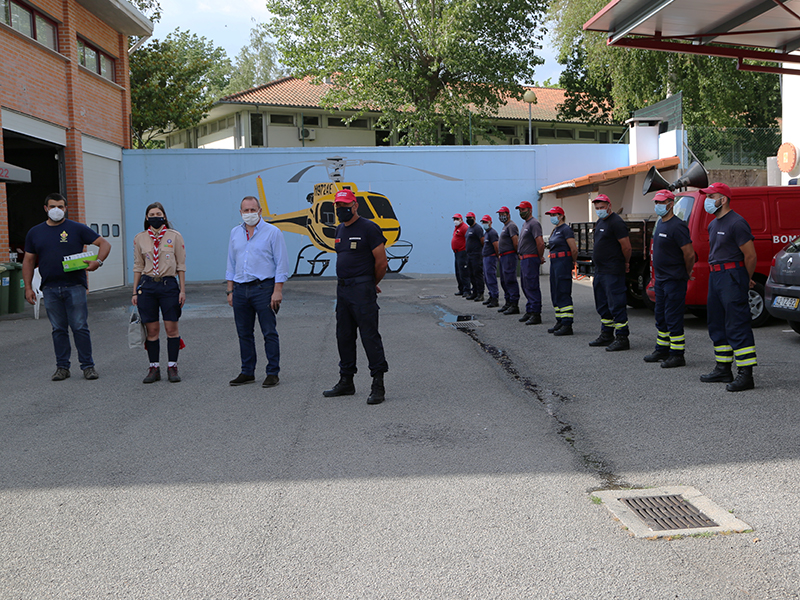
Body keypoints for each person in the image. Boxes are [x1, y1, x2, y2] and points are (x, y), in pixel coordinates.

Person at [22, 192, 111, 381]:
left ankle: (88, 366)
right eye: (52, 206)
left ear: (66, 208)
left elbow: (104, 244)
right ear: (45, 208)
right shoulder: (35, 232)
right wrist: (28, 287)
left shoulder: (77, 229)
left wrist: (98, 262)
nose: (56, 210)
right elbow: (28, 261)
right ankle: (62, 367)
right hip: (50, 288)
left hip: (75, 286)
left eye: (60, 206)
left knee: (80, 327)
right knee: (58, 329)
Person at [323, 189, 389, 405]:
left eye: (346, 206)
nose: (342, 210)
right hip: (343, 290)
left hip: (362, 290)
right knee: (343, 335)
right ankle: (346, 381)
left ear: (355, 205)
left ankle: (378, 384)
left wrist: (370, 284)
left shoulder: (369, 228)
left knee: (369, 336)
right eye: (338, 207)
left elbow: (381, 263)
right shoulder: (339, 229)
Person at [698, 182, 757, 391]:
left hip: (732, 276)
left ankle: (745, 374)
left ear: (723, 199)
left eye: (711, 196)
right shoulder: (714, 224)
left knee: (737, 324)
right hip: (716, 277)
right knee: (717, 323)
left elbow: (750, 255)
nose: (707, 201)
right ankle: (723, 369)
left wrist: (743, 278)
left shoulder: (737, 222)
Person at [226, 196, 290, 388]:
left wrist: (277, 290)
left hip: (264, 288)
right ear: (240, 213)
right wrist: (230, 290)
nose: (249, 214)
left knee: (269, 332)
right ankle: (247, 371)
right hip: (240, 288)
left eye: (253, 210)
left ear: (260, 211)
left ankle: (272, 372)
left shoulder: (273, 232)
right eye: (246, 210)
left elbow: (282, 263)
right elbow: (231, 262)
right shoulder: (235, 233)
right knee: (244, 332)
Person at [132, 202, 187, 383]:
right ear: (147, 218)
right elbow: (138, 266)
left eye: (159, 213)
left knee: (171, 329)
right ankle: (153, 367)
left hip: (168, 285)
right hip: (148, 286)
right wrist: (134, 291)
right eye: (152, 214)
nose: (155, 216)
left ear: (164, 216)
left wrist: (182, 290)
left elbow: (181, 265)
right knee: (152, 330)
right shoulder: (140, 238)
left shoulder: (174, 236)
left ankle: (172, 366)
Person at [643, 190, 695, 368]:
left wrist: (686, 272)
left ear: (671, 204)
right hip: (661, 280)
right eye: (656, 202)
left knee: (673, 317)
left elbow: (689, 254)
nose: (657, 205)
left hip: (674, 279)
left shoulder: (677, 225)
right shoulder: (661, 223)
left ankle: (677, 355)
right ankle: (662, 349)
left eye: (661, 202)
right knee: (661, 315)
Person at [588, 194, 632, 351]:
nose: (599, 210)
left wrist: (625, 262)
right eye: (597, 208)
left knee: (616, 304)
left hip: (613, 270)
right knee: (602, 304)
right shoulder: (601, 221)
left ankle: (622, 337)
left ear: (609, 206)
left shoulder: (616, 222)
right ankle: (607, 334)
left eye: (602, 207)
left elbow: (626, 247)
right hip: (600, 271)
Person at [544, 206, 578, 336]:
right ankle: (559, 320)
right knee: (556, 292)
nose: (552, 217)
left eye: (554, 215)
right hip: (555, 263)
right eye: (551, 215)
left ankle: (567, 324)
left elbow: (573, 249)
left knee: (563, 291)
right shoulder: (555, 230)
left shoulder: (565, 229)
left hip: (563, 262)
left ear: (561, 216)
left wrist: (572, 261)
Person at [516, 200, 545, 325]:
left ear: (530, 210)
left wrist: (539, 257)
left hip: (531, 259)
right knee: (525, 285)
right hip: (524, 259)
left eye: (523, 209)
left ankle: (536, 313)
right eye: (520, 210)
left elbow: (540, 242)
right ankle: (529, 310)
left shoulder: (534, 224)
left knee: (532, 285)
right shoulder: (525, 224)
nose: (521, 212)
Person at [496, 206, 520, 315]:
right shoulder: (505, 226)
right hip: (504, 256)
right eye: (500, 215)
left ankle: (514, 304)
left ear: (508, 214)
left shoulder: (511, 226)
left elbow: (515, 242)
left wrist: (517, 253)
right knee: (504, 280)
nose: (501, 216)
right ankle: (508, 302)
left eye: (503, 214)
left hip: (509, 256)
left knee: (510, 279)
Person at [479, 215, 500, 308]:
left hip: (491, 258)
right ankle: (491, 295)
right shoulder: (486, 233)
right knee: (487, 278)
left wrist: (497, 256)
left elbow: (496, 245)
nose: (484, 224)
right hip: (486, 257)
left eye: (486, 222)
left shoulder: (492, 233)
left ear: (490, 222)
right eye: (483, 222)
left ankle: (495, 297)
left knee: (491, 277)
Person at [464, 211, 484, 302]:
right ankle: (474, 292)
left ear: (474, 218)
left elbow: (482, 241)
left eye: (470, 218)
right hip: (469, 255)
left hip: (476, 255)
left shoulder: (477, 228)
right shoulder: (469, 229)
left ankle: (480, 293)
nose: (469, 220)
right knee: (471, 274)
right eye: (467, 218)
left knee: (477, 274)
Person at [451, 213, 470, 296]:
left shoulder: (464, 227)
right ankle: (461, 289)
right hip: (457, 252)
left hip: (463, 252)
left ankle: (467, 290)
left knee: (463, 272)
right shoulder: (457, 228)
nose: (455, 221)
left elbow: (468, 239)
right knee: (458, 272)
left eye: (457, 219)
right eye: (454, 219)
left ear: (461, 219)